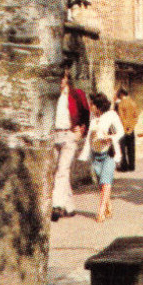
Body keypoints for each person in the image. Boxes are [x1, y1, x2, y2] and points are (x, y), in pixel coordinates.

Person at [52, 71, 90, 220]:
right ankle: (70, 207)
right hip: (54, 135)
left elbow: (86, 114)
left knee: (62, 170)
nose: (59, 81)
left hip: (69, 135)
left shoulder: (76, 94)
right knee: (59, 170)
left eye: (62, 78)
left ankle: (57, 205)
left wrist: (82, 130)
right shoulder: (52, 95)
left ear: (67, 79)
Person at [82, 93, 124, 223]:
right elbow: (90, 133)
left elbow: (121, 131)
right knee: (102, 183)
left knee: (106, 182)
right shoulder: (93, 116)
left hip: (109, 153)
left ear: (98, 105)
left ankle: (100, 212)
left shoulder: (111, 115)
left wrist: (110, 137)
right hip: (96, 153)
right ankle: (108, 204)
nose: (90, 106)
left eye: (92, 104)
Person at [115, 88, 139, 172]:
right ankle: (132, 166)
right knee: (131, 148)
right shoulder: (133, 102)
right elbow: (136, 116)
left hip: (123, 129)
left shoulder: (121, 104)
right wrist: (131, 127)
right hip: (131, 129)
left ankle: (124, 166)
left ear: (121, 94)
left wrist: (125, 127)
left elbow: (121, 117)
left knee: (122, 149)